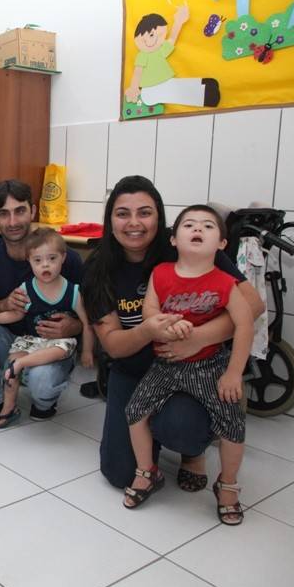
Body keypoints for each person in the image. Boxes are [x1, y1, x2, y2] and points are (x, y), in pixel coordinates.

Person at [81, 175, 264, 493]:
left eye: (145, 212)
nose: (134, 223)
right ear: (110, 220)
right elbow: (113, 345)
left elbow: (254, 305)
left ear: (160, 217)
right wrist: (148, 330)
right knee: (120, 474)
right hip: (132, 369)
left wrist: (198, 338)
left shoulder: (188, 242)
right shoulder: (98, 269)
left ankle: (192, 452)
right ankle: (149, 452)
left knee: (183, 430)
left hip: (192, 366)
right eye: (122, 213)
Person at [123, 205, 252, 525]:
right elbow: (149, 311)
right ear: (173, 239)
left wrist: (234, 373)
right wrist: (166, 323)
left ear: (222, 243)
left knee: (233, 424)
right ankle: (146, 472)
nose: (198, 229)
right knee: (135, 411)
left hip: (210, 365)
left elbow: (245, 324)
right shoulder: (161, 273)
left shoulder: (225, 282)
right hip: (166, 363)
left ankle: (228, 485)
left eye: (208, 226)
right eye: (189, 224)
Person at [0, 179, 85, 428]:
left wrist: (74, 326)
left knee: (42, 383)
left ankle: (43, 401)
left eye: (20, 211)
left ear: (33, 210)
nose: (13, 222)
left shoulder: (66, 258)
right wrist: (3, 304)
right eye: (3, 213)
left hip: (52, 345)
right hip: (12, 341)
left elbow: (92, 315)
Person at [0, 228, 95, 428]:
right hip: (33, 340)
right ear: (29, 261)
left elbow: (87, 323)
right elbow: (16, 314)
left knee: (58, 350)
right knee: (11, 365)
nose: (45, 265)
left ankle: (24, 366)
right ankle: (9, 408)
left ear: (63, 257)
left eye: (52, 258)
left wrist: (87, 351)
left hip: (59, 342)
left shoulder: (74, 292)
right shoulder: (26, 288)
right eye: (38, 260)